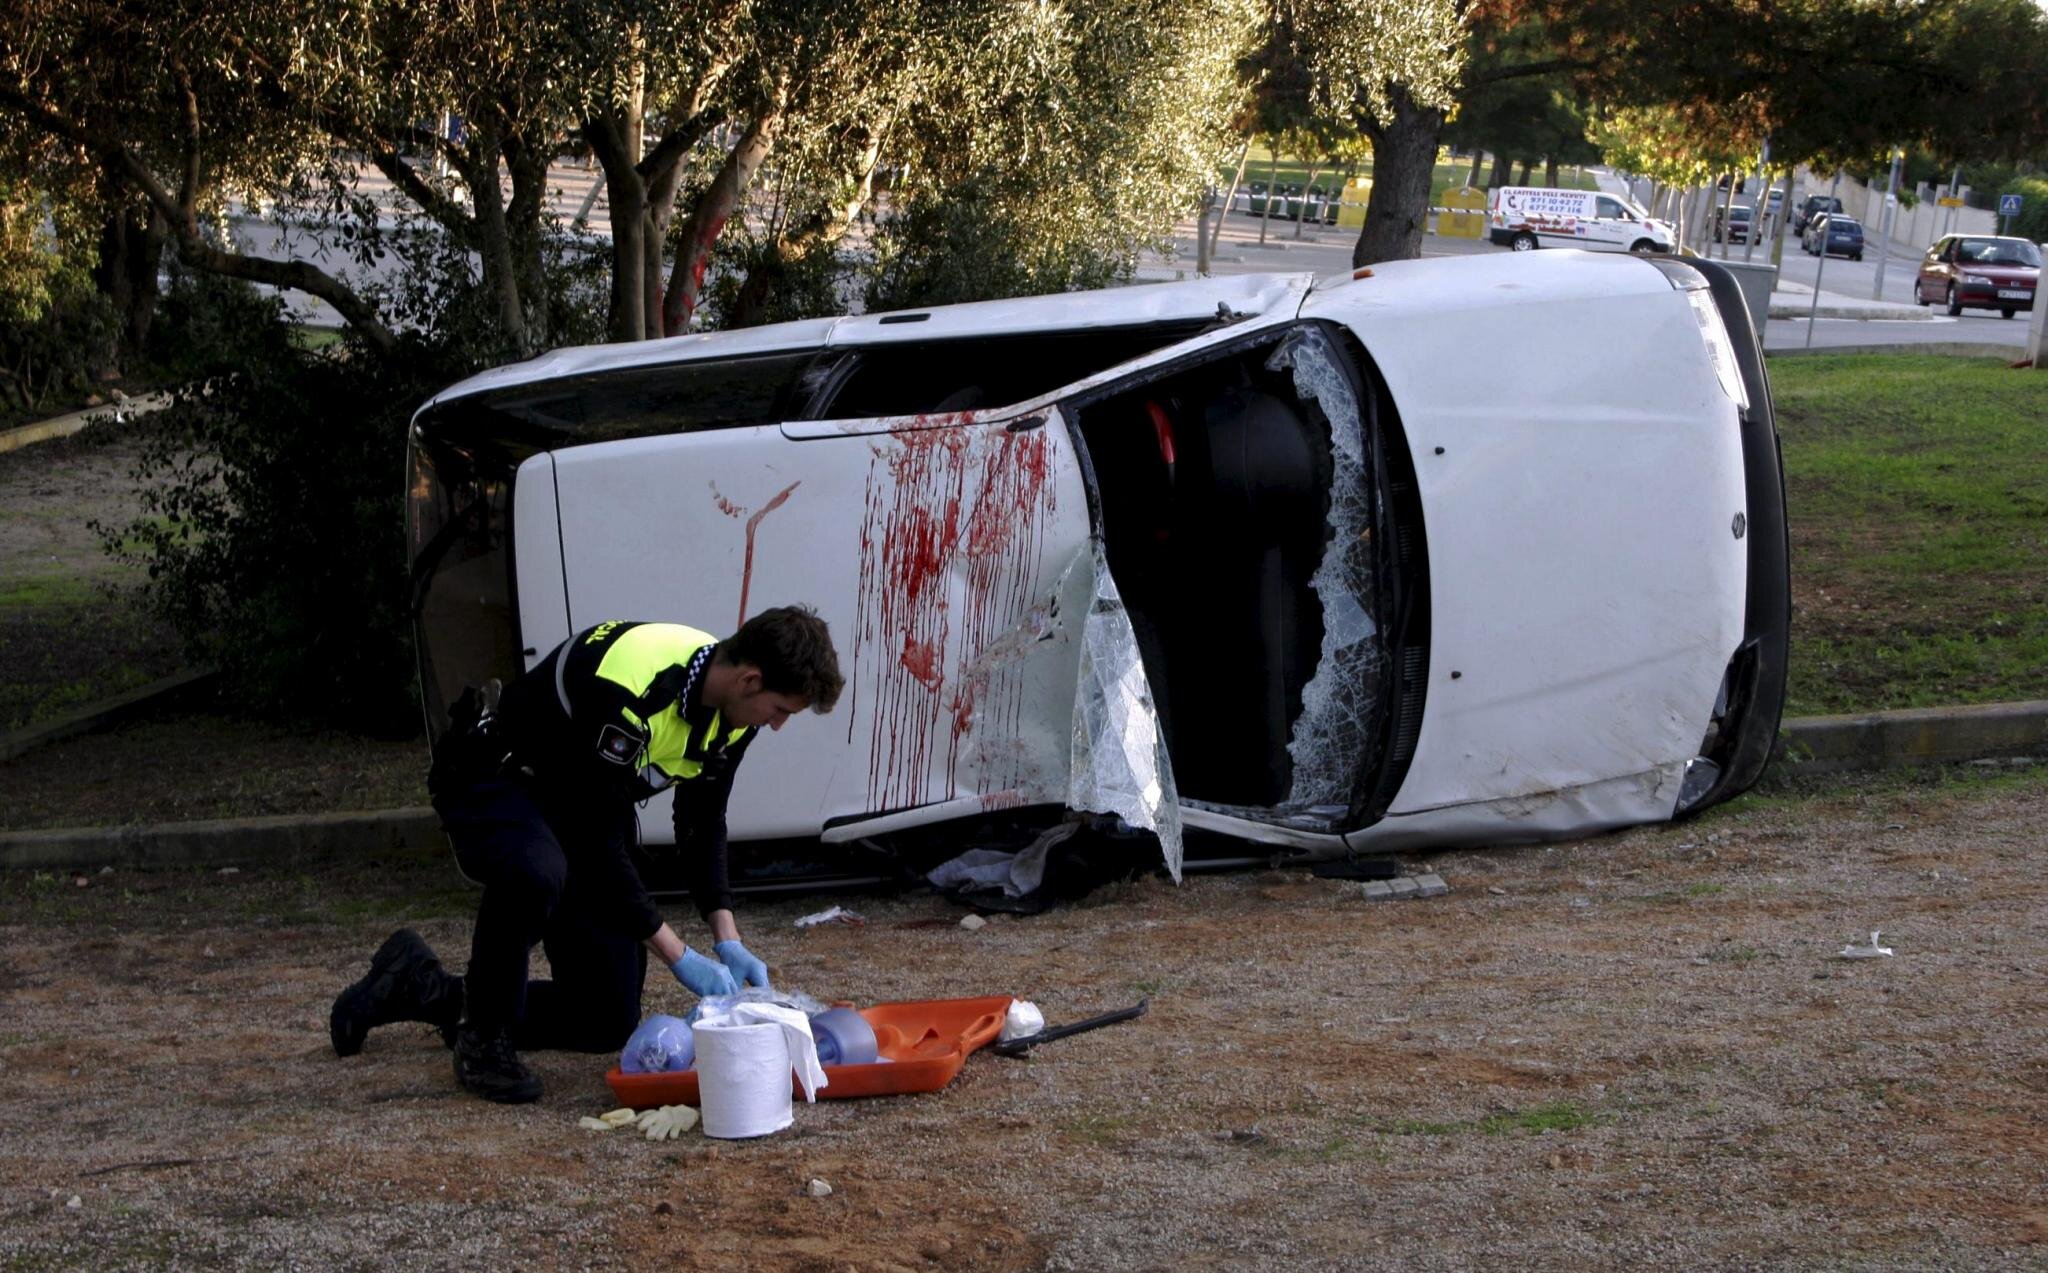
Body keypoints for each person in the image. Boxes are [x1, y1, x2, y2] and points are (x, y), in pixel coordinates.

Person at [329, 607, 844, 1103]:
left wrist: (726, 937)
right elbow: (594, 843)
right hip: (494, 777)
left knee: (605, 1016)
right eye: (781, 711)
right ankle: (482, 1042)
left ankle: (420, 987)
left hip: (579, 801)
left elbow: (702, 819)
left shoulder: (733, 711)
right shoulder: (630, 688)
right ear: (750, 681)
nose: (776, 725)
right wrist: (679, 955)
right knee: (536, 872)